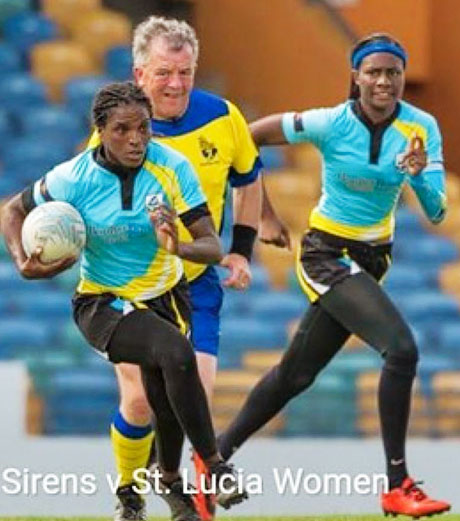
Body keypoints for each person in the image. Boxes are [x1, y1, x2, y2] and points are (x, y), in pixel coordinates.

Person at [212, 33, 451, 518]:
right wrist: (262, 213)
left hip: (375, 259)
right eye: (374, 71)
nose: (384, 80)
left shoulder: (421, 127)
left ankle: (211, 459)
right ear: (356, 76)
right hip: (326, 254)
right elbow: (246, 138)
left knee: (296, 375)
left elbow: (439, 211)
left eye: (393, 72)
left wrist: (421, 174)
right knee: (401, 350)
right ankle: (397, 483)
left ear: (403, 76)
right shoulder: (327, 123)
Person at [0, 82, 248, 521]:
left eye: (144, 128)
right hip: (102, 303)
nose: (136, 139)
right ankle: (215, 466)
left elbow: (211, 246)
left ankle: (154, 488)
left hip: (168, 297)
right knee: (175, 352)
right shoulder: (72, 177)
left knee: (164, 391)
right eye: (122, 130)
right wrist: (22, 262)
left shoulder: (173, 167)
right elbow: (10, 211)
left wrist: (177, 248)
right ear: (100, 130)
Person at [84, 17, 284, 521]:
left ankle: (191, 503)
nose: (175, 84)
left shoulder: (223, 116)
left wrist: (241, 250)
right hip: (130, 291)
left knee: (196, 392)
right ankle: (130, 493)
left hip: (194, 285)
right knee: (140, 404)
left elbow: (248, 177)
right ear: (139, 72)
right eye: (164, 72)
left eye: (186, 72)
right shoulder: (113, 133)